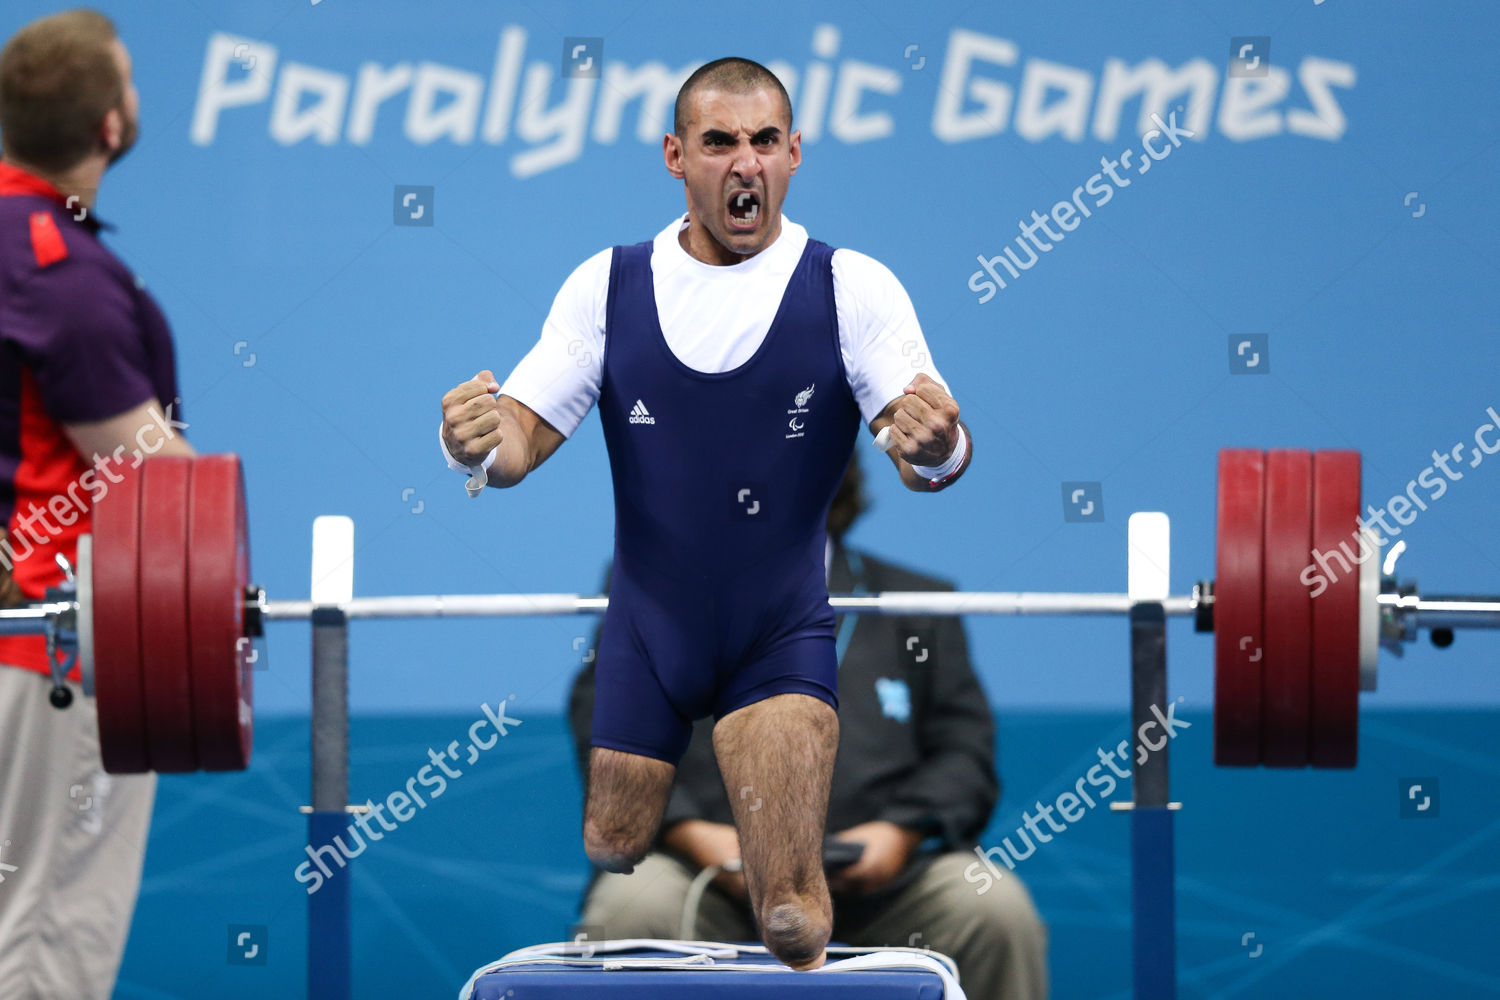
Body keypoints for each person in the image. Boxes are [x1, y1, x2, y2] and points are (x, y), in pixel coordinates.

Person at [440, 56, 971, 970]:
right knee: (613, 844)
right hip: (648, 631)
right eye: (719, 142)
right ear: (675, 156)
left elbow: (929, 447)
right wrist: (469, 444)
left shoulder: (856, 289)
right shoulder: (605, 286)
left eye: (765, 141)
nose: (745, 164)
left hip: (780, 634)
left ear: (796, 153)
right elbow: (516, 447)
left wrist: (938, 449)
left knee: (795, 922)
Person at [567, 451, 1048, 999]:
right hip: (711, 886)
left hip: (887, 892)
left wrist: (899, 833)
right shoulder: (652, 590)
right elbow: (603, 726)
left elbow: (965, 752)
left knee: (994, 909)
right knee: (631, 909)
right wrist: (696, 838)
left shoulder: (919, 604)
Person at [0, 10, 194, 998]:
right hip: (56, 646)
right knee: (46, 934)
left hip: (30, 638)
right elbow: (155, 472)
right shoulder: (53, 268)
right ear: (112, 125)